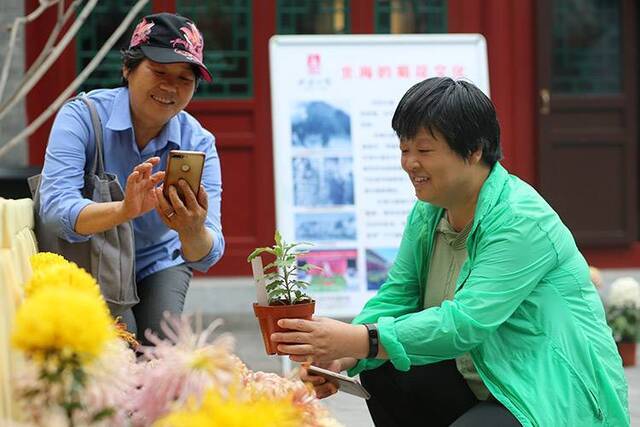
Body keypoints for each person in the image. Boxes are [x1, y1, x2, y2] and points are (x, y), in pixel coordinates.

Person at [271, 78, 630, 426]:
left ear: (474, 151)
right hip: (485, 381)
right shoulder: (429, 210)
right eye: (404, 149)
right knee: (385, 370)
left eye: (424, 150)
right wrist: (343, 356)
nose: (410, 163)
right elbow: (398, 294)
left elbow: (465, 323)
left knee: (383, 351)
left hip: (550, 391)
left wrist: (361, 339)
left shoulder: (521, 220)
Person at [38, 13, 224, 344]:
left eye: (185, 78)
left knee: (163, 351)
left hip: (158, 259)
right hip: (91, 258)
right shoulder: (82, 116)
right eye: (159, 71)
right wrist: (122, 210)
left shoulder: (199, 142)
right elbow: (53, 211)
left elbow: (208, 252)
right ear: (128, 69)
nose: (171, 87)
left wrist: (192, 230)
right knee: (119, 349)